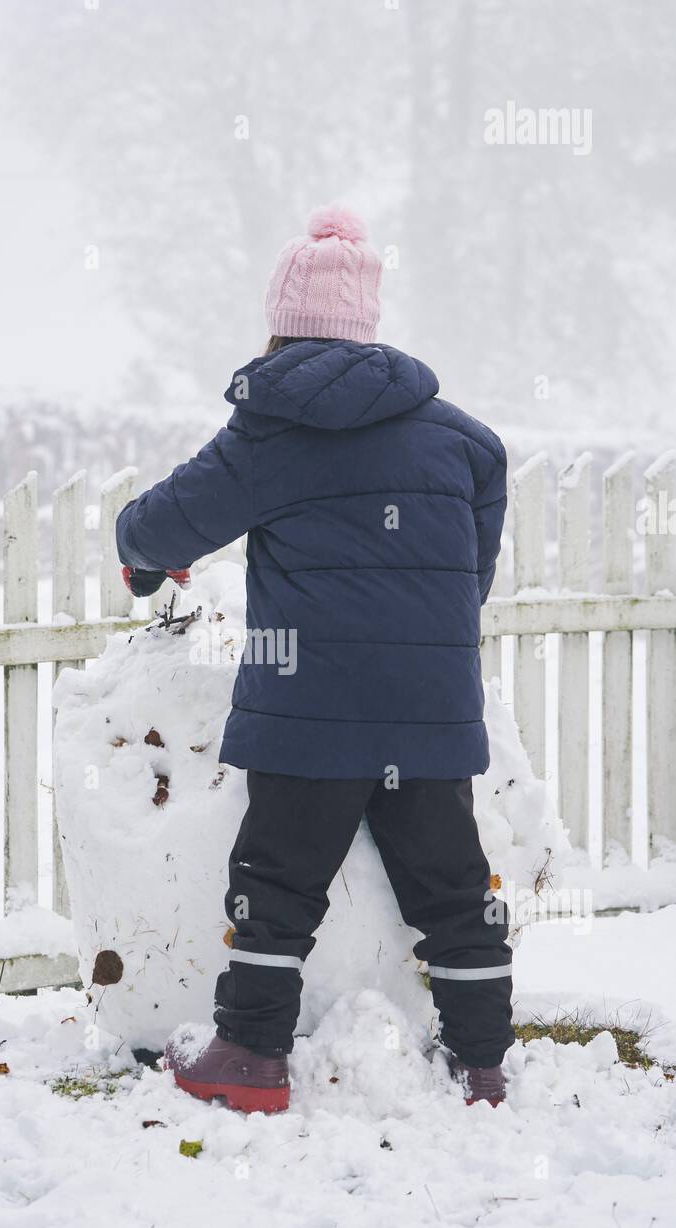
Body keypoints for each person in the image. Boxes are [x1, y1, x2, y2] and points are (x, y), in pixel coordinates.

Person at [116, 205, 512, 1114]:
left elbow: (170, 522)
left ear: (282, 323)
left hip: (311, 712)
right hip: (430, 710)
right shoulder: (465, 442)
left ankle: (251, 1055)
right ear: (367, 325)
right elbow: (469, 574)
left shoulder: (272, 429)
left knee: (277, 882)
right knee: (454, 887)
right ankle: (485, 1065)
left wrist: (139, 555)